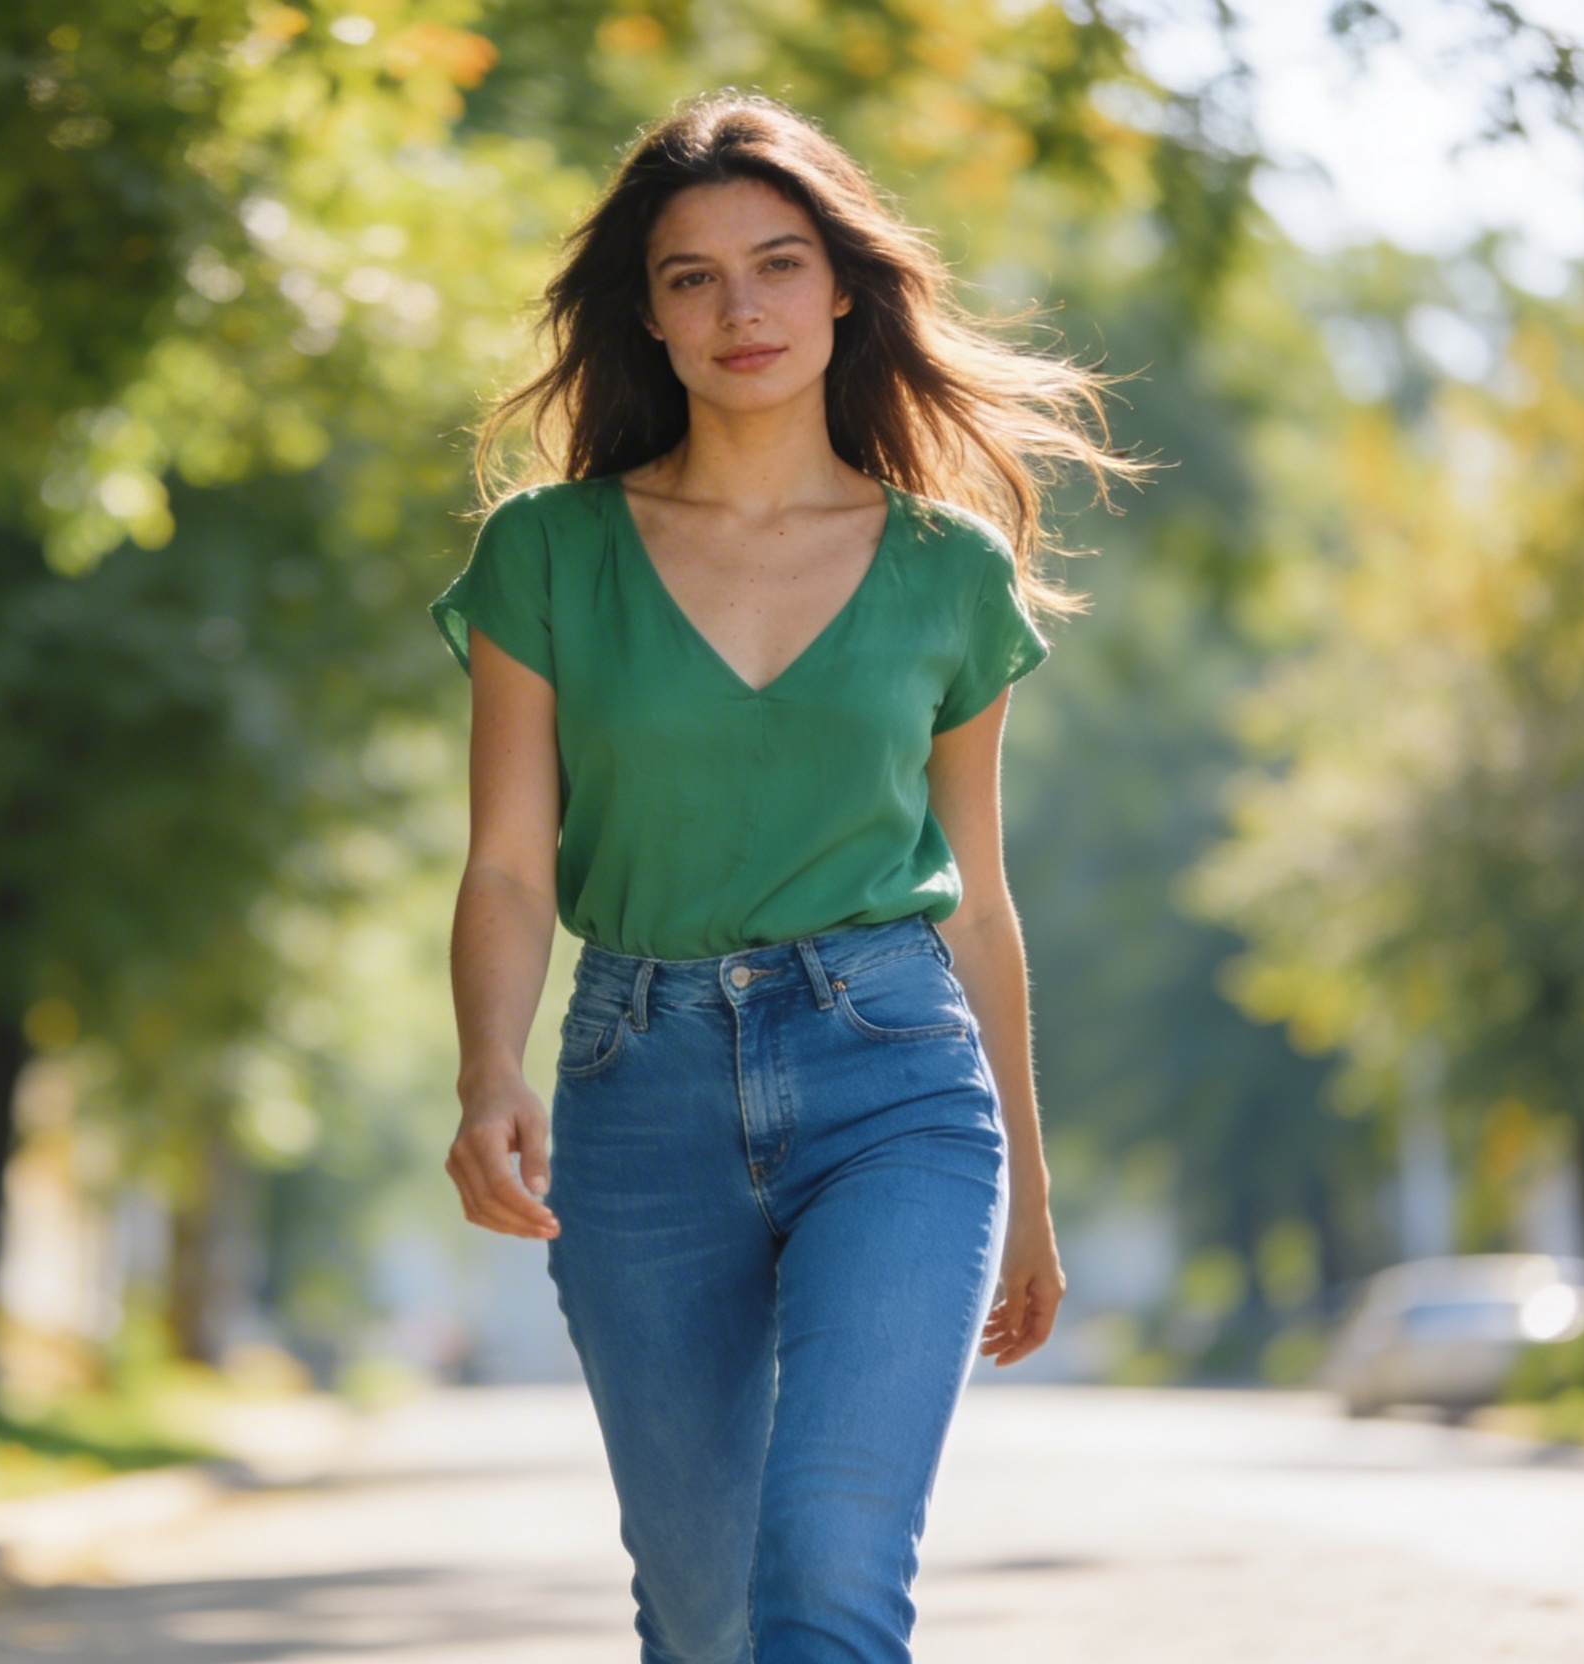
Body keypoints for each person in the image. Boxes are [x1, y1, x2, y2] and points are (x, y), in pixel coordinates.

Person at [427, 92, 1142, 1664]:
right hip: (637, 1084)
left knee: (826, 1578)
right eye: (691, 277)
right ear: (651, 318)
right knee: (704, 1616)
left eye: (778, 261)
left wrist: (1032, 1186)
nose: (740, 307)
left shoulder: (948, 570)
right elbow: (504, 862)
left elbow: (983, 900)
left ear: (842, 289)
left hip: (892, 1077)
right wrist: (489, 1071)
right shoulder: (547, 554)